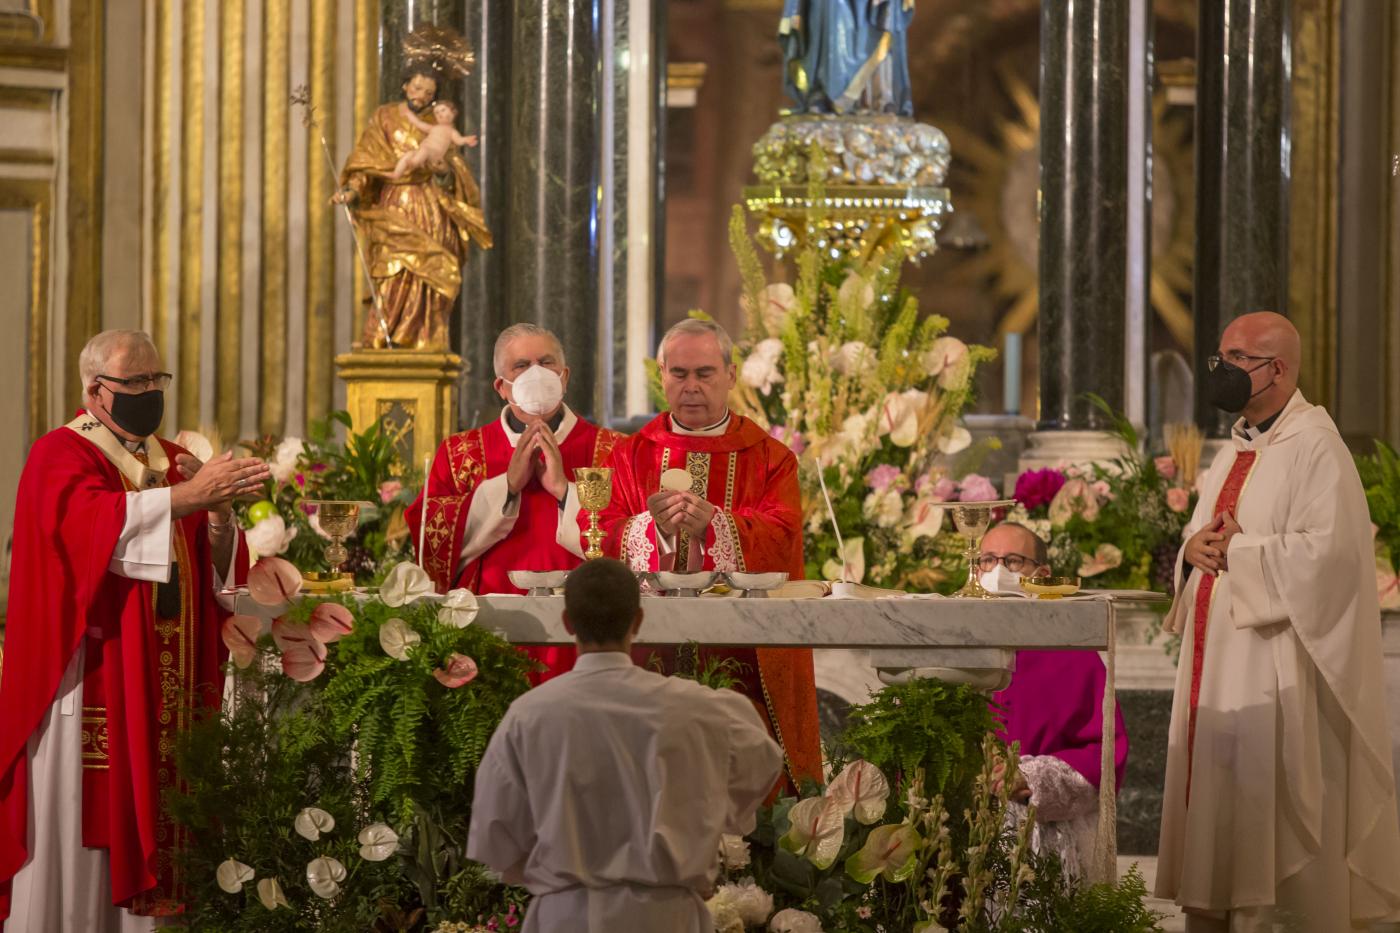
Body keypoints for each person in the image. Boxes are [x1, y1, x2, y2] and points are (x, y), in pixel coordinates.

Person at [0, 330, 267, 930]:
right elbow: (83, 534)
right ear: (96, 390)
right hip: (92, 677)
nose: (150, 392)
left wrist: (218, 515)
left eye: (157, 380)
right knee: (86, 825)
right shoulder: (60, 454)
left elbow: (211, 567)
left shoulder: (172, 459)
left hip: (164, 678)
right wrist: (184, 497)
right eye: (136, 383)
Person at [1155, 311, 1400, 931]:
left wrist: (1238, 552)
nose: (1222, 370)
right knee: (1222, 799)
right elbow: (1202, 531)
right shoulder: (1235, 447)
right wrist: (1193, 551)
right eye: (1220, 357)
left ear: (1277, 370)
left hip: (1275, 670)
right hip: (1216, 670)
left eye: (1236, 359)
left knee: (1270, 804)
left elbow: (1333, 559)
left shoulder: (1318, 447)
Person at [467, 558, 783, 932]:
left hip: (566, 914)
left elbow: (496, 834)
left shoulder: (529, 714)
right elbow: (763, 759)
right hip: (666, 914)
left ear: (567, 622)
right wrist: (722, 815)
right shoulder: (699, 708)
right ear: (637, 620)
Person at [598, 318, 822, 788]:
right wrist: (651, 530)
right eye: (679, 374)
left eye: (705, 373)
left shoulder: (770, 457)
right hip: (650, 651)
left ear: (731, 375)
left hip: (744, 658)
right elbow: (600, 535)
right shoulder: (628, 456)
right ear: (661, 375)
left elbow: (782, 538)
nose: (692, 386)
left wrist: (717, 526)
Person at [405, 323, 621, 683]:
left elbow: (631, 540)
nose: (536, 373)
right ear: (501, 387)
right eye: (521, 366)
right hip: (487, 634)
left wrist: (564, 490)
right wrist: (506, 487)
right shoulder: (460, 453)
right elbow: (431, 539)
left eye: (546, 363)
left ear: (564, 377)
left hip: (585, 630)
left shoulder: (614, 449)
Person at [979, 522, 1129, 880]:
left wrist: (1028, 777)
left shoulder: (1073, 655)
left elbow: (1106, 752)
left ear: (1042, 575)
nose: (997, 572)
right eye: (986, 560)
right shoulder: (950, 648)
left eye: (1013, 561)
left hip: (1045, 843)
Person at [334, 62, 492, 349]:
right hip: (392, 203)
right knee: (390, 269)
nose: (421, 95)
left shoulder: (440, 124)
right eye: (417, 87)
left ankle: (425, 338)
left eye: (428, 92)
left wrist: (444, 171)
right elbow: (366, 161)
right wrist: (352, 191)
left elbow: (456, 170)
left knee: (427, 273)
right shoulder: (384, 116)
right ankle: (380, 336)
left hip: (428, 208)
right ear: (405, 85)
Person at [390, 100, 479, 181]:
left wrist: (467, 140)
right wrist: (408, 114)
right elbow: (418, 123)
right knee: (409, 154)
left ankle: (415, 163)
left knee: (425, 151)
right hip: (423, 151)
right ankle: (396, 174)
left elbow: (459, 140)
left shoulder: (451, 131)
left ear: (453, 112)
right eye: (436, 113)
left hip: (435, 154)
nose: (440, 114)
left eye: (443, 110)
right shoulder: (433, 128)